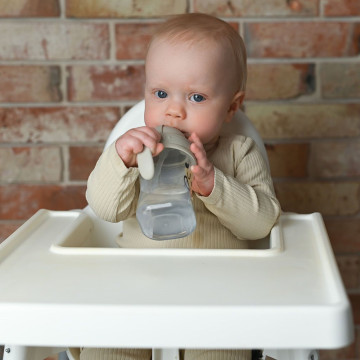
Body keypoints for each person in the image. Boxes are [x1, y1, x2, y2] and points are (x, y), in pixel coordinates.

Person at [84, 12, 281, 360]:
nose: (173, 111)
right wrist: (121, 161)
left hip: (217, 294)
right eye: (160, 93)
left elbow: (261, 223)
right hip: (137, 287)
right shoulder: (137, 154)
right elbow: (103, 209)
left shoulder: (239, 151)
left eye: (197, 97)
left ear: (232, 106)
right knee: (105, 346)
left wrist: (213, 185)